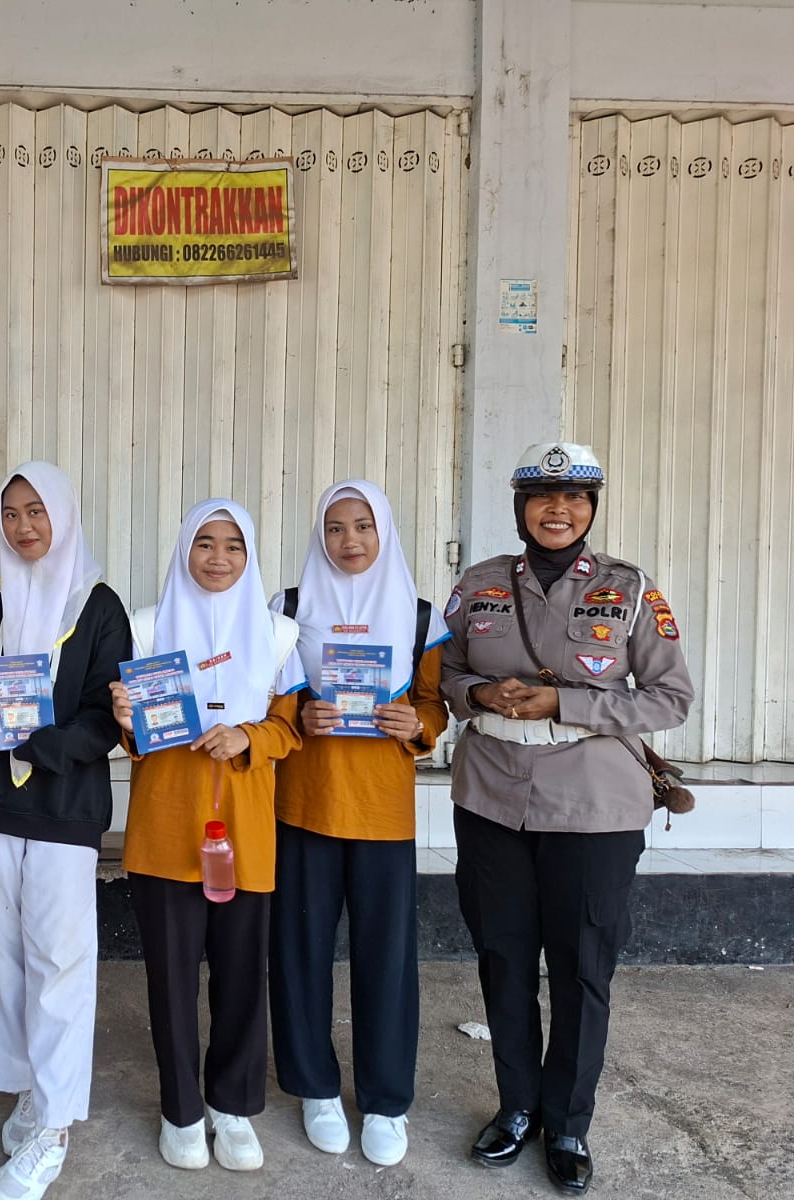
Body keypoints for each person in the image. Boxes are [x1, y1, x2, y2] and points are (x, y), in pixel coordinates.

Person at [441, 443, 693, 1194]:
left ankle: (568, 1122)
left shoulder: (630, 589)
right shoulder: (479, 584)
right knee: (504, 959)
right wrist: (477, 695)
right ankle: (517, 1107)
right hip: (491, 797)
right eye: (543, 496)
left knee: (583, 969)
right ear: (521, 506)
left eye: (575, 496)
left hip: (595, 804)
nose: (558, 509)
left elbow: (670, 697)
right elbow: (445, 670)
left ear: (591, 507)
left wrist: (564, 701)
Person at [0, 463, 132, 1200]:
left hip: (64, 804)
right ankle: (28, 1086)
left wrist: (40, 743)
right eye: (12, 513)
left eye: (37, 511)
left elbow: (107, 714)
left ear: (63, 515)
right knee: (6, 955)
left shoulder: (97, 604)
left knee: (60, 959)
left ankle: (54, 1126)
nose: (24, 526)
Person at [109, 499, 305, 1174]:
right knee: (170, 979)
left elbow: (290, 726)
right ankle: (181, 1110)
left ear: (250, 555)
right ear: (184, 550)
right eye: (204, 543)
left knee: (243, 974)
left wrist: (248, 736)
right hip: (166, 827)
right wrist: (125, 718)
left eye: (233, 545)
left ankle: (233, 1105)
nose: (218, 558)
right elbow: (133, 734)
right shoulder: (146, 626)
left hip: (244, 831)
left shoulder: (279, 634)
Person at [266, 480, 451, 1167]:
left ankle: (384, 1099)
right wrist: (300, 716)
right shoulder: (287, 612)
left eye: (364, 526)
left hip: (382, 811)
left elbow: (435, 704)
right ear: (320, 535)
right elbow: (268, 701)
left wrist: (416, 723)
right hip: (304, 806)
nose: (350, 541)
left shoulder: (420, 616)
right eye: (336, 528)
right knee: (300, 951)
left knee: (387, 959)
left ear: (384, 532)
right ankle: (315, 1088)